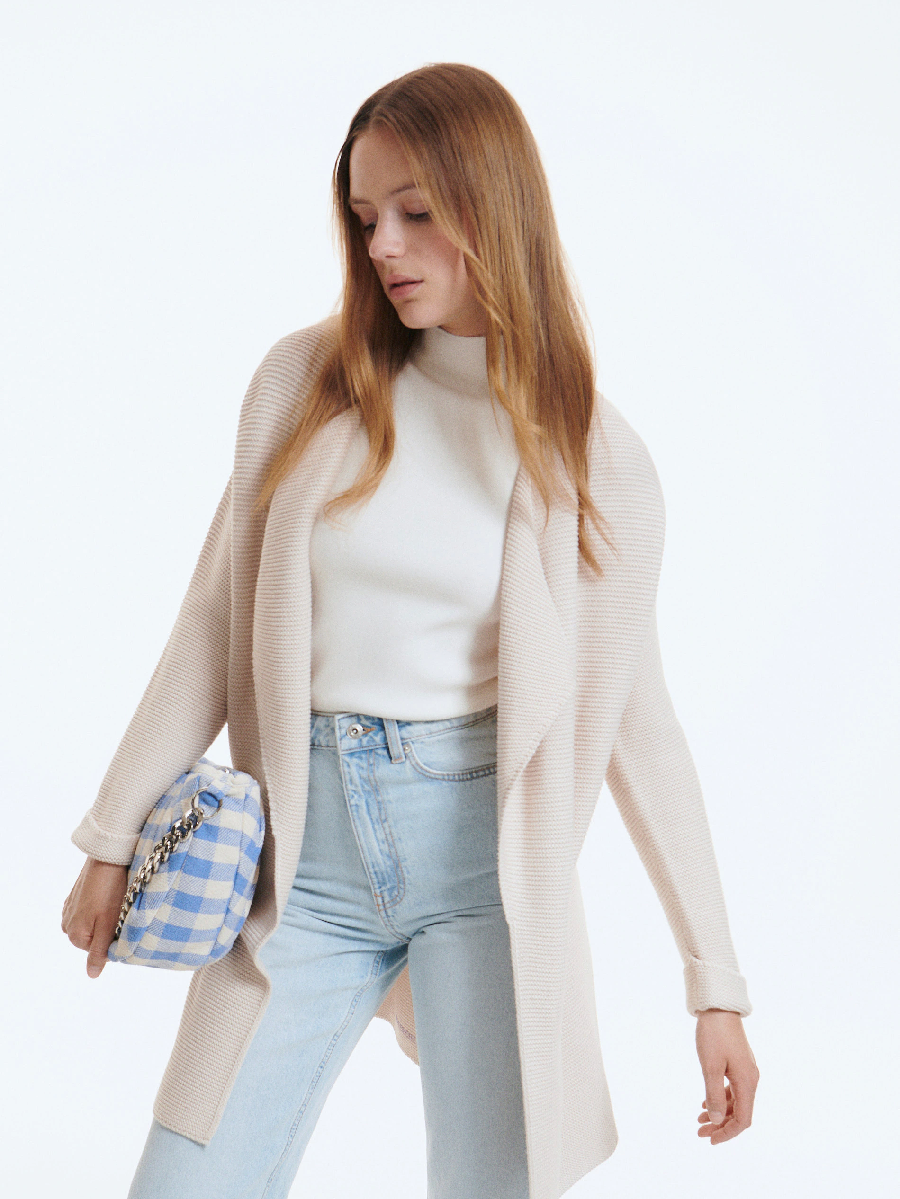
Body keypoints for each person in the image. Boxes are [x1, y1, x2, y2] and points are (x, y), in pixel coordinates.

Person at [62, 62, 758, 1199]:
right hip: (302, 867)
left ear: (497, 207)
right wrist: (110, 831)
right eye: (365, 215)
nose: (384, 245)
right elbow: (211, 617)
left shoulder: (595, 460)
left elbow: (643, 726)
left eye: (418, 211)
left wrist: (713, 982)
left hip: (484, 875)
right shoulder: (304, 381)